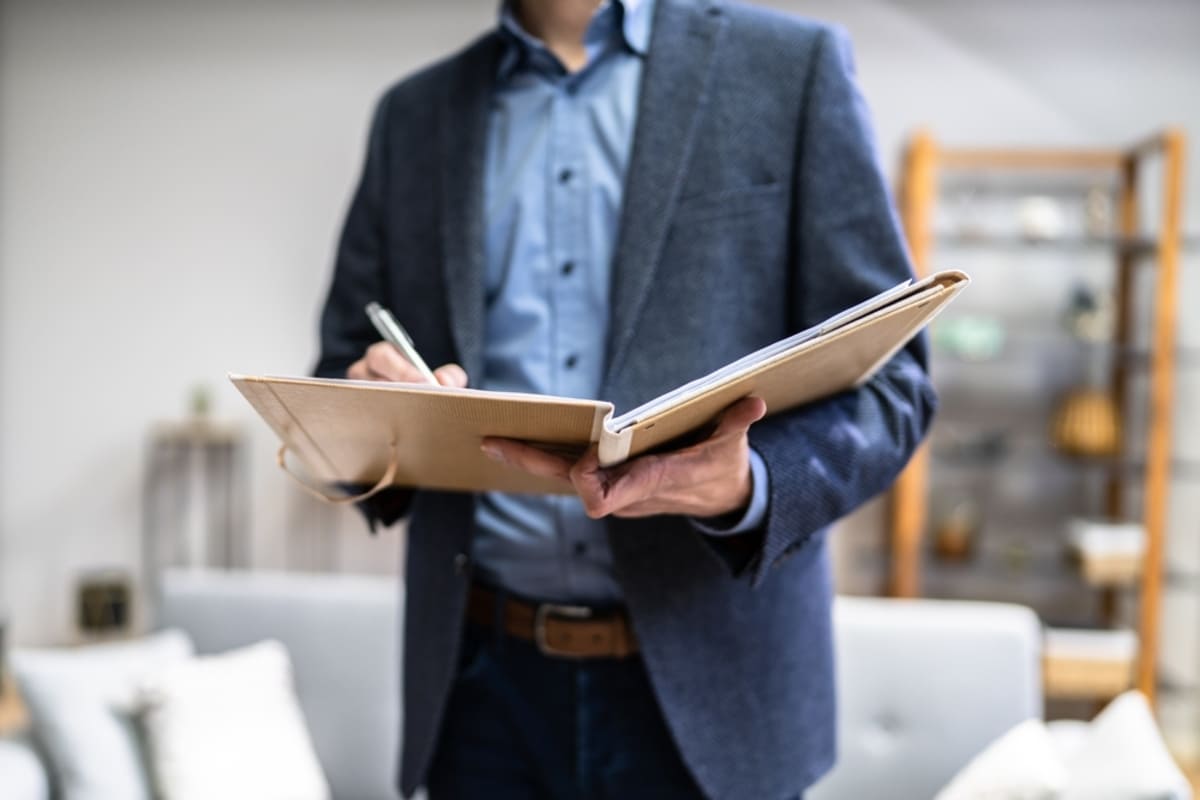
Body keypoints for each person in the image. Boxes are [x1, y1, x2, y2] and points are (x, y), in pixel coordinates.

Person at [314, 0, 935, 797]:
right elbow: (341, 371)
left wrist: (751, 486)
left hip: (719, 695)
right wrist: (368, 408)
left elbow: (894, 384)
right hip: (477, 692)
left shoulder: (791, 67)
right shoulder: (414, 114)